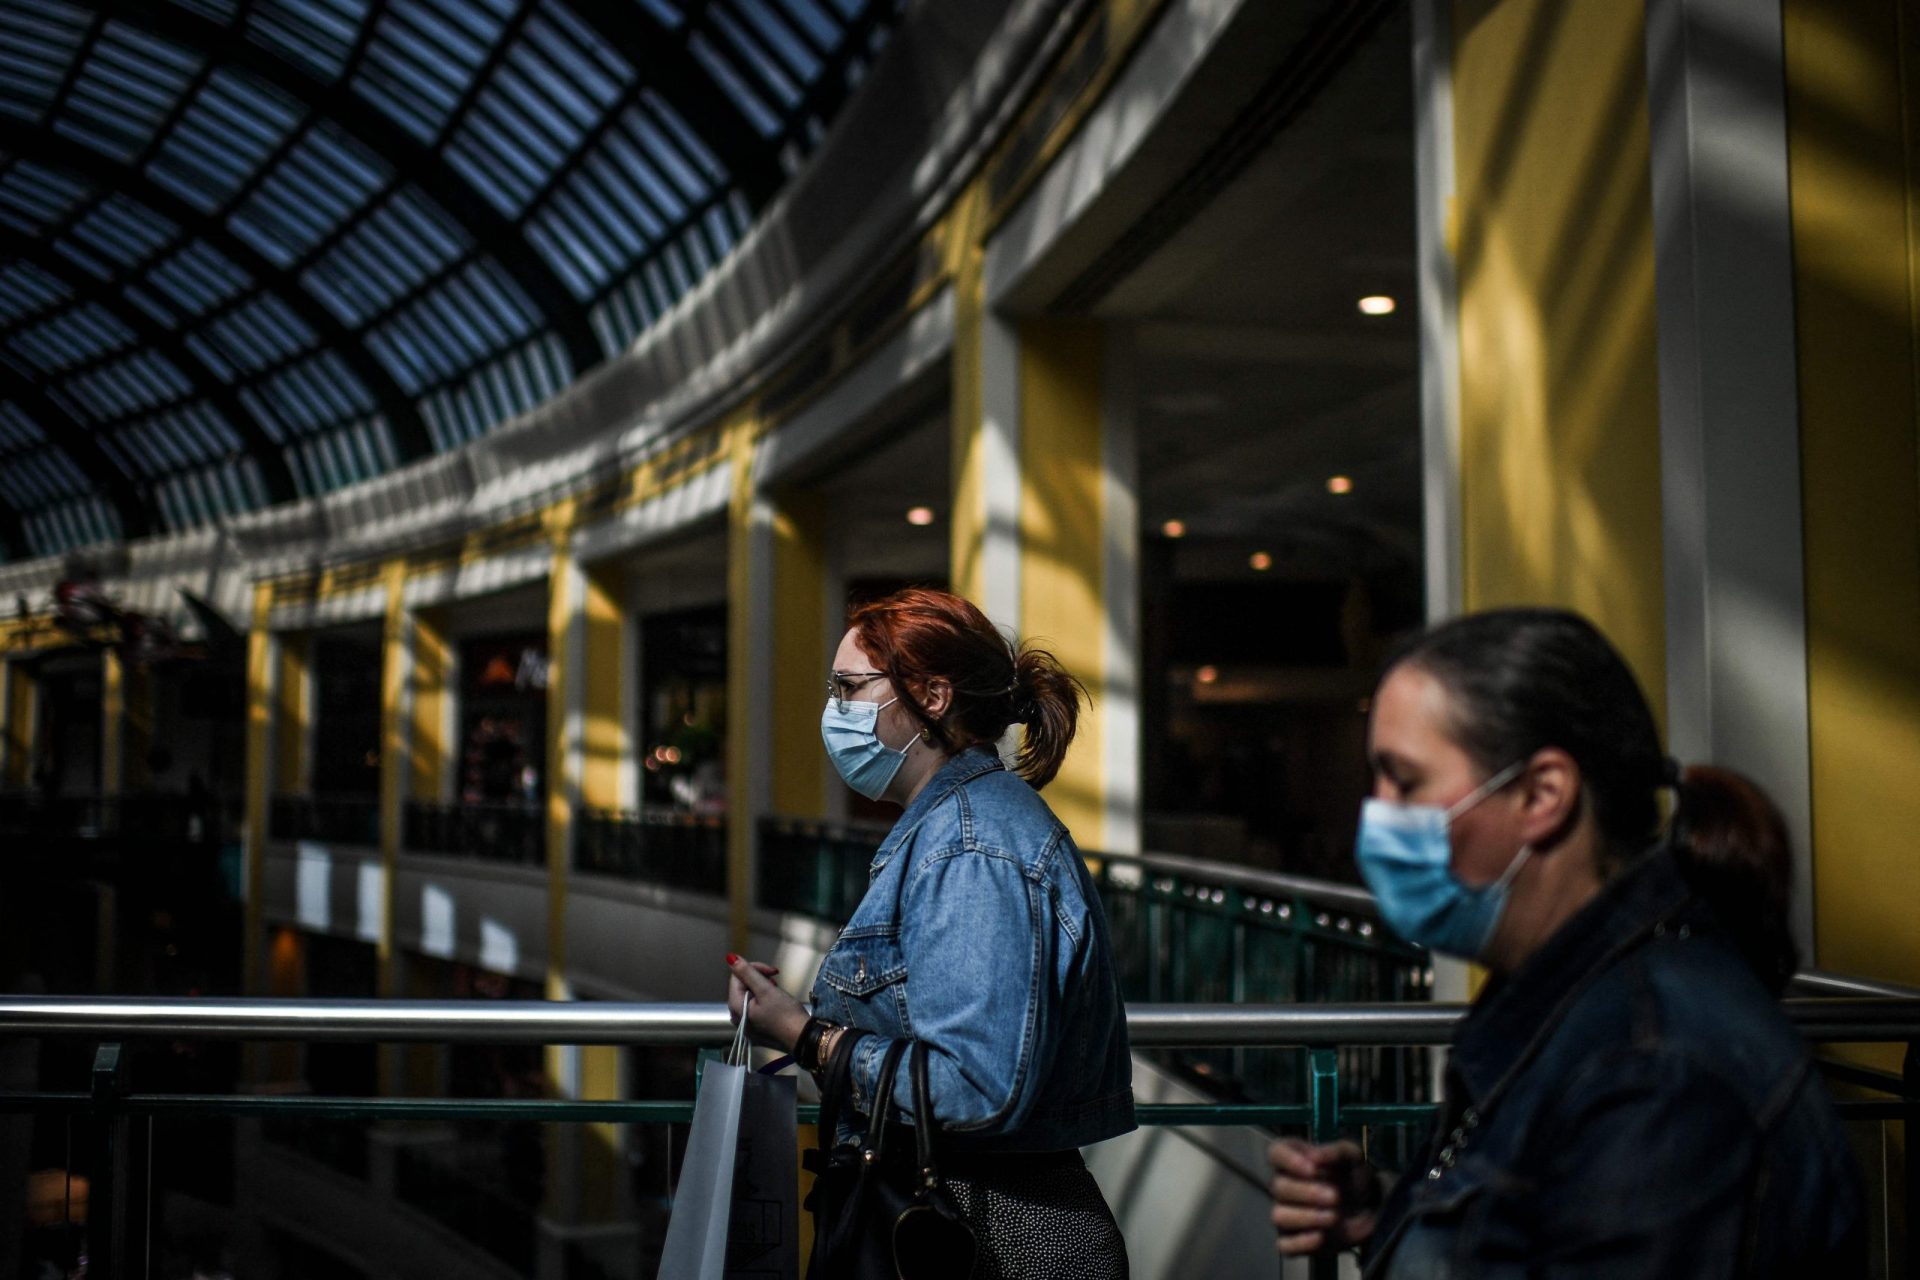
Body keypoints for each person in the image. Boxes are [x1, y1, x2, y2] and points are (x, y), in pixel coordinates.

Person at [1269, 607, 1863, 1276]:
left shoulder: (1656, 1075)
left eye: (1404, 781)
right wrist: (1392, 1222)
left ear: (1543, 794)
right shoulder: (1571, 1005)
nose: (1375, 814)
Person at [726, 587, 1135, 1278]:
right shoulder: (953, 829)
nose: (835, 710)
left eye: (851, 688)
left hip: (986, 1243)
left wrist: (805, 1035)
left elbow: (974, 1086)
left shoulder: (970, 846)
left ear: (933, 698)